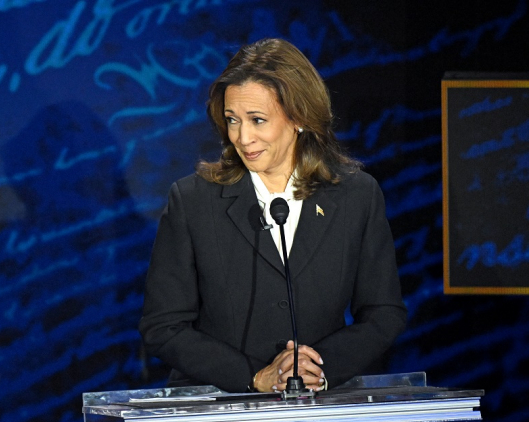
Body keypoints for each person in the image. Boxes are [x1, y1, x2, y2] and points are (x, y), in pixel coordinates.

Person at [139, 38, 407, 394]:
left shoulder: (356, 195)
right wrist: (254, 377)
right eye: (232, 120)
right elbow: (163, 326)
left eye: (257, 120)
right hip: (218, 411)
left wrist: (318, 369)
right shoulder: (193, 200)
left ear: (298, 117)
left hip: (317, 414)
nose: (242, 137)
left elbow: (383, 313)